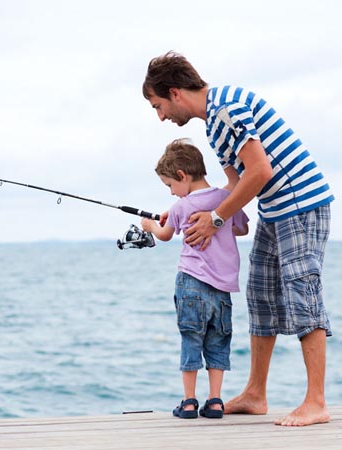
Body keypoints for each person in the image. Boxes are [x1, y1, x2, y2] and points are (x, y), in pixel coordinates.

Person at [142, 51, 335, 426]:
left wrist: (215, 219)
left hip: (300, 205)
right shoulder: (214, 125)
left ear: (175, 92)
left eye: (158, 105)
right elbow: (233, 186)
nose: (161, 116)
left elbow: (259, 171)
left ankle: (316, 401)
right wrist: (186, 208)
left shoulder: (227, 107)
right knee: (260, 296)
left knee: (302, 295)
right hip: (274, 211)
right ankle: (255, 394)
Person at [141, 139, 249, 419]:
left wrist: (149, 224)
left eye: (170, 186)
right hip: (222, 289)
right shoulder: (226, 200)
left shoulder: (182, 206)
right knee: (218, 341)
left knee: (191, 339)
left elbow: (164, 235)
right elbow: (243, 228)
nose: (173, 193)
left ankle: (189, 402)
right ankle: (215, 401)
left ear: (181, 176)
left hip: (190, 283)